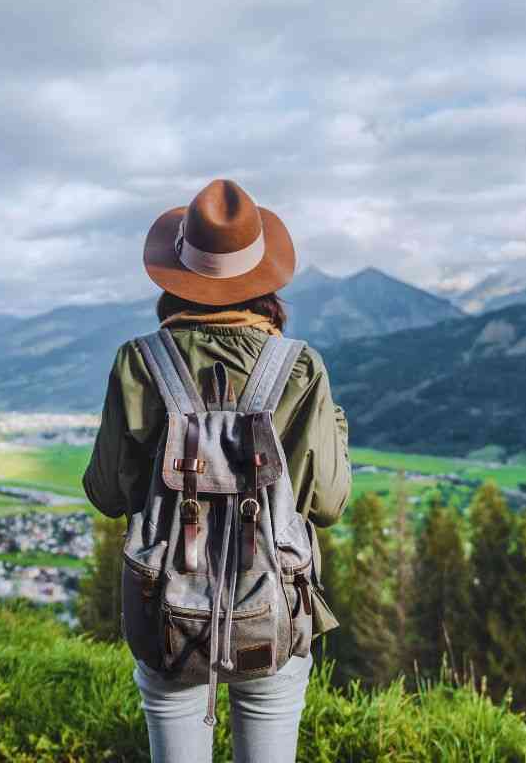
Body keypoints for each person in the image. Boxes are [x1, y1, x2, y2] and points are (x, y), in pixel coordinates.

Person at [83, 178, 352, 763]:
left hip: (166, 609)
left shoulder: (138, 361)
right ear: (264, 278)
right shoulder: (300, 367)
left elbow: (106, 492)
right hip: (275, 603)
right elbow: (328, 503)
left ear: (177, 274)